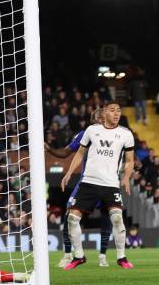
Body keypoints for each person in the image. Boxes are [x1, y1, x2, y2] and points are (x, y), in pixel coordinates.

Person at [61, 101, 135, 270]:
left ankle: (122, 257)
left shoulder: (126, 134)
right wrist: (69, 173)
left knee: (117, 218)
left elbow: (130, 160)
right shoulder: (92, 131)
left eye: (119, 110)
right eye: (112, 110)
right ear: (104, 113)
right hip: (88, 182)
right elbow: (80, 153)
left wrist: (127, 176)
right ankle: (79, 256)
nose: (116, 113)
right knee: (72, 219)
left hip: (110, 184)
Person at [46, 108, 113, 268]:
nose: (102, 120)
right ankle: (69, 255)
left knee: (109, 216)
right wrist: (49, 149)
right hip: (87, 183)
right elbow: (65, 152)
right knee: (69, 215)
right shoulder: (86, 134)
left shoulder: (117, 134)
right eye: (99, 117)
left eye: (104, 117)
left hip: (108, 182)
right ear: (93, 120)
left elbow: (129, 153)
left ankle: (103, 255)